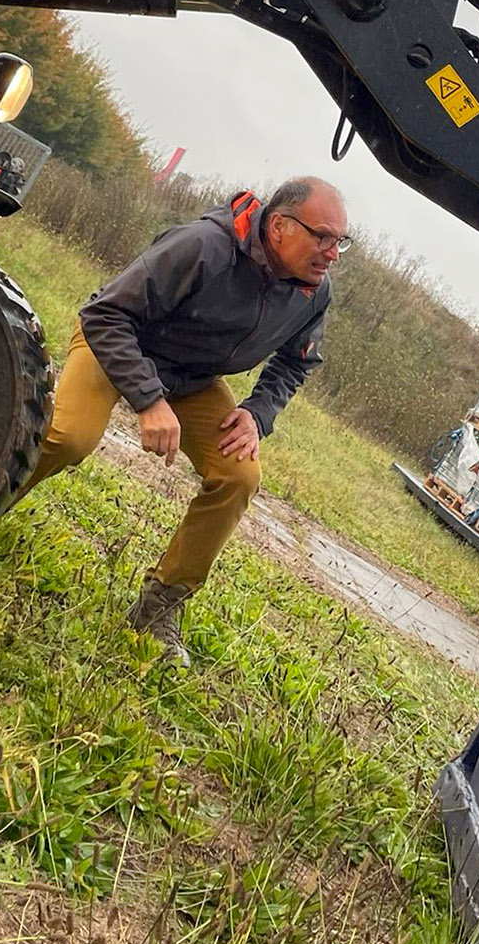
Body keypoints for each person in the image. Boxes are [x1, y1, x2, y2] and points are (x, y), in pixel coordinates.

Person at [21, 176, 348, 663]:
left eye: (340, 241)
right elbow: (105, 314)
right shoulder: (203, 246)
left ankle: (157, 607)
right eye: (322, 236)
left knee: (238, 475)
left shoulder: (312, 292)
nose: (332, 252)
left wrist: (257, 413)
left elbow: (296, 361)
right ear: (279, 226)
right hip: (119, 345)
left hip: (194, 378)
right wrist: (149, 400)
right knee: (70, 437)